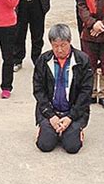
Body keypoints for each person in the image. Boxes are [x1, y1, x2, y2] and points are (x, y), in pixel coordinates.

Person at [33, 24, 93, 154]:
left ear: (70, 42)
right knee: (45, 145)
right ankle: (44, 128)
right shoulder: (43, 60)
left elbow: (86, 92)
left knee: (72, 147)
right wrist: (50, 116)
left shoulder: (82, 60)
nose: (59, 50)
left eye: (63, 45)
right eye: (55, 46)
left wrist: (70, 117)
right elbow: (38, 90)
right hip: (50, 110)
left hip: (72, 112)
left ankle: (77, 130)